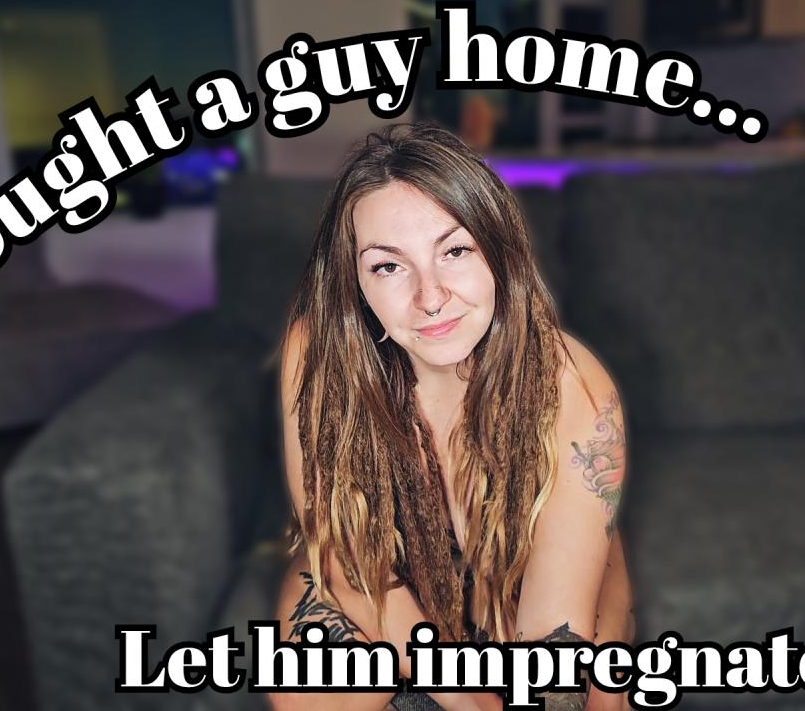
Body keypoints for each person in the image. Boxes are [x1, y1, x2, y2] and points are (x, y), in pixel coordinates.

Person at [269, 123, 634, 711]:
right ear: (355, 284)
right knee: (309, 691)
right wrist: (468, 701)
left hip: (521, 574)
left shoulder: (572, 386)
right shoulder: (318, 353)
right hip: (380, 575)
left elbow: (553, 633)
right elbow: (344, 555)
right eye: (388, 267)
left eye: (455, 251)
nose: (431, 297)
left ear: (498, 252)